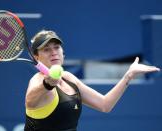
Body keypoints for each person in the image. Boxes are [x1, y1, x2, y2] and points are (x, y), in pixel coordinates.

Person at [24, 30, 160, 131]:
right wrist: (47, 84)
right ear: (36, 57)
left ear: (63, 52)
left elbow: (105, 105)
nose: (53, 52)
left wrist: (128, 75)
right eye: (46, 49)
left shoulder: (69, 78)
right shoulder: (37, 81)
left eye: (56, 47)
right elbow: (30, 100)